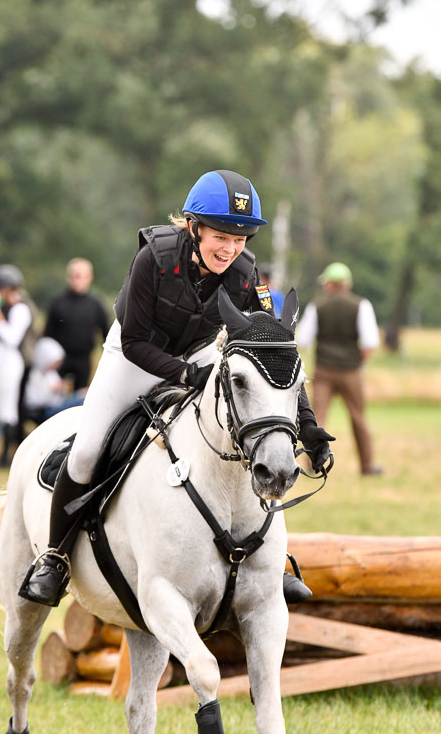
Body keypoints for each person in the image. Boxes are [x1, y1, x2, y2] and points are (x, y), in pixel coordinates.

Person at [21, 169, 334, 607]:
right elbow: (133, 341)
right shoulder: (154, 258)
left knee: (241, 439)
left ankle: (267, 562)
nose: (230, 248)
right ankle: (53, 559)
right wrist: (187, 376)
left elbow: (274, 355)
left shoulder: (246, 273)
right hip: (134, 356)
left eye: (241, 239)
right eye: (221, 236)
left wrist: (308, 425)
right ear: (194, 227)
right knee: (89, 449)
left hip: (200, 354)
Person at [297, 262, 382, 476]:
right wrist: (357, 361)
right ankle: (368, 466)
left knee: (317, 419)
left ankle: (312, 463)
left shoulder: (317, 306)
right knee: (359, 418)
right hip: (351, 371)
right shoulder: (361, 305)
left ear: (329, 284)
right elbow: (370, 342)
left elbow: (304, 339)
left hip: (323, 370)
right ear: (347, 284)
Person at [0, 265, 37, 467]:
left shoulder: (20, 309)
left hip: (9, 361)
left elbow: (12, 338)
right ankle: (2, 450)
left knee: (8, 409)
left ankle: (7, 455)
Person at [44, 258, 111, 391]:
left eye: (80, 276)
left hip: (84, 360)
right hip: (60, 360)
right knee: (56, 397)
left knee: (81, 398)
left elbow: (107, 335)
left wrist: (108, 364)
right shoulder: (58, 303)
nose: (76, 280)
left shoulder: (95, 305)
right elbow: (48, 336)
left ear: (89, 277)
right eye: (73, 276)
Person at [23, 337, 86, 423]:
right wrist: (51, 390)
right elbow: (32, 403)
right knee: (81, 401)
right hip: (44, 412)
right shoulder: (34, 375)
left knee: (83, 394)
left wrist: (62, 388)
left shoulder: (51, 374)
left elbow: (60, 397)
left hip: (57, 405)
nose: (57, 365)